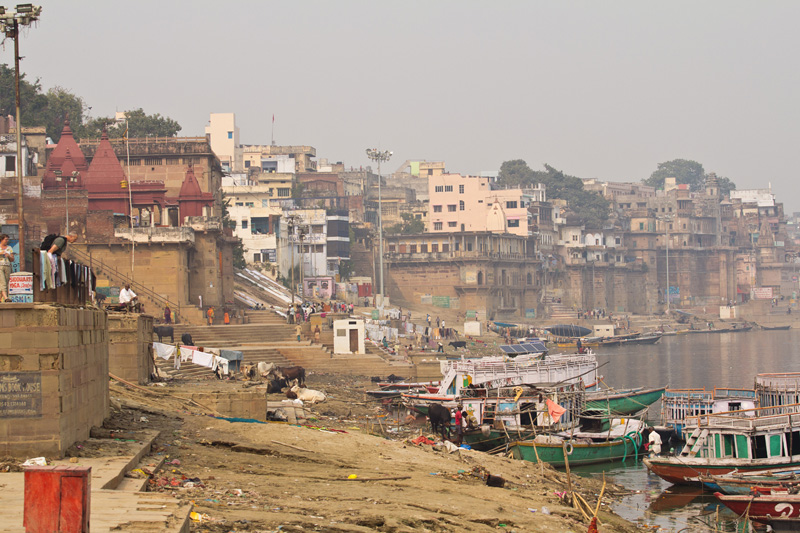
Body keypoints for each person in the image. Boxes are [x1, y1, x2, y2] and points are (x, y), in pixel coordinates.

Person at [0, 234, 14, 303]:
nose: (7, 241)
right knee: (2, 282)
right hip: (0, 266)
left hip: (7, 266)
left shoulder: (9, 248)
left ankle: (1, 298)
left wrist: (8, 256)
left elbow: (12, 259)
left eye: (7, 239)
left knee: (6, 281)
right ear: (2, 239)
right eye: (5, 239)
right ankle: (6, 297)